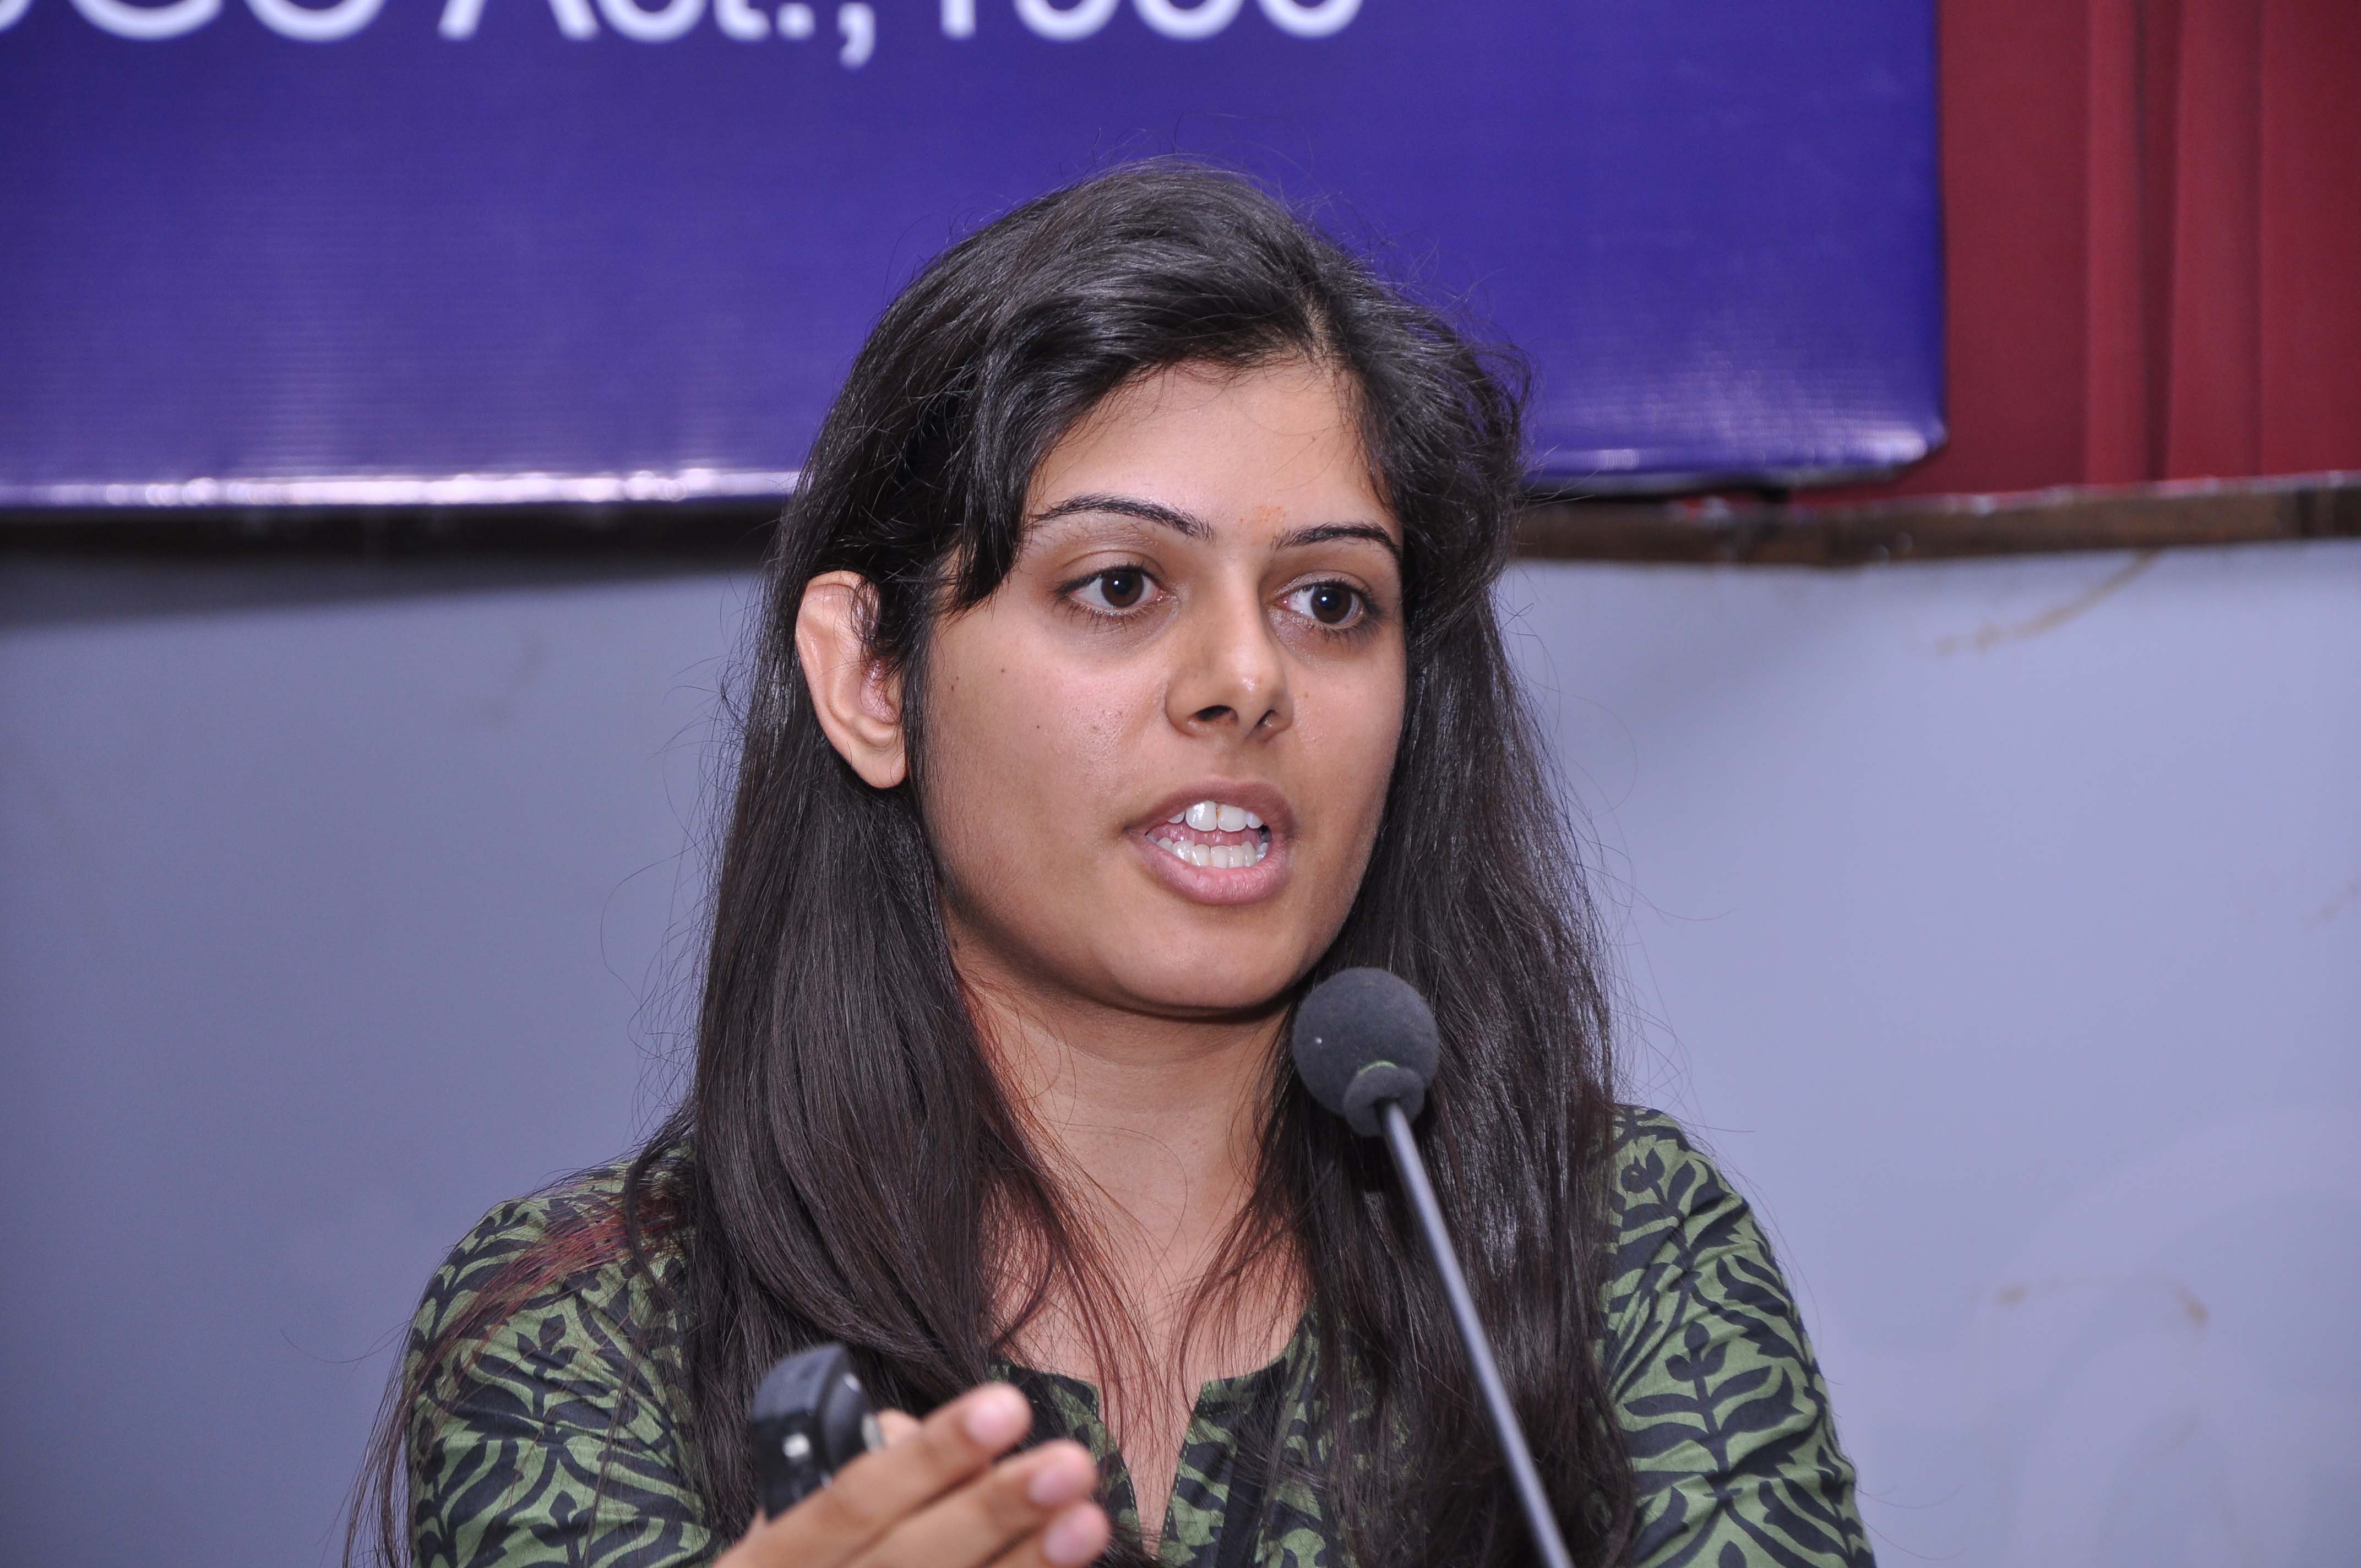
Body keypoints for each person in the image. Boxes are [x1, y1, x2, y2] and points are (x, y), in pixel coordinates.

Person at [353, 162, 1874, 1568]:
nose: (1246, 680)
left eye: (1332, 603)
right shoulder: (585, 1326)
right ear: (872, 679)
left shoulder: (1614, 1249)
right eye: (1122, 584)